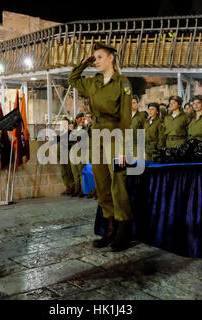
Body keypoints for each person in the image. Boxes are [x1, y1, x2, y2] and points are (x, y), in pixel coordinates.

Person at [68, 42, 133, 251]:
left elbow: (125, 117)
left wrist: (124, 148)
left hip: (115, 134)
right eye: (94, 58)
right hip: (96, 134)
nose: (96, 61)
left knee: (118, 182)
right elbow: (72, 79)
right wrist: (83, 64)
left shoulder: (122, 82)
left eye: (99, 57)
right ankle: (110, 227)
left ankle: (123, 229)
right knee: (102, 182)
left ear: (111, 58)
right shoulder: (93, 83)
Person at [69, 113, 86, 198]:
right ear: (77, 119)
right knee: (75, 172)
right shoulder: (73, 129)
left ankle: (82, 190)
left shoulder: (85, 129)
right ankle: (77, 189)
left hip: (81, 153)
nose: (82, 120)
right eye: (81, 119)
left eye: (83, 119)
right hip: (73, 152)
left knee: (80, 172)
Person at [58, 117, 75, 196]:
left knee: (69, 171)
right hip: (61, 155)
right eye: (62, 123)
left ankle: (72, 186)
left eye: (65, 123)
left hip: (67, 154)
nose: (63, 125)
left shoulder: (71, 133)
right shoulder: (61, 134)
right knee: (63, 172)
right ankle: (67, 186)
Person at [131, 95, 147, 160]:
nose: (131, 105)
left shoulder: (141, 116)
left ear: (137, 104)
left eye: (133, 103)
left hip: (138, 147)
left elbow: (145, 131)